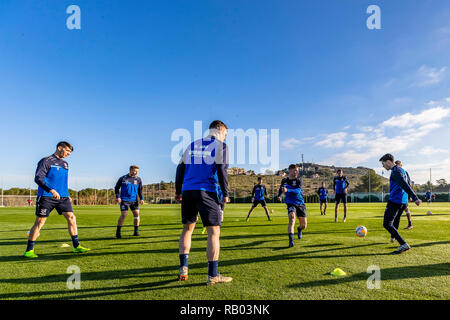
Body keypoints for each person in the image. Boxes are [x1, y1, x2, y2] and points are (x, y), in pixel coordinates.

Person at [175, 120, 232, 286]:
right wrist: (226, 193)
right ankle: (213, 275)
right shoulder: (221, 146)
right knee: (213, 233)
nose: (225, 137)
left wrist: (179, 191)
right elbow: (222, 170)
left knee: (187, 229)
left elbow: (180, 169)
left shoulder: (192, 145)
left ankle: (183, 268)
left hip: (187, 191)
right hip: (206, 191)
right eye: (225, 134)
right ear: (220, 130)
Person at [24, 141, 90, 258]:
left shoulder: (65, 164)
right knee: (40, 222)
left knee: (71, 218)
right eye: (67, 151)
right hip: (46, 196)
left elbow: (62, 181)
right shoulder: (46, 161)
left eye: (70, 152)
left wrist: (67, 194)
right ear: (60, 148)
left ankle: (76, 246)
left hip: (63, 197)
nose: (69, 154)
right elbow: (38, 178)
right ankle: (29, 250)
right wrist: (51, 190)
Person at [379, 154, 421, 254]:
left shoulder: (396, 171)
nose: (383, 166)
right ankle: (396, 238)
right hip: (403, 201)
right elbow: (408, 184)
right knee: (393, 221)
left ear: (388, 161)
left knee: (387, 224)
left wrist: (415, 197)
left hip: (395, 200)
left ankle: (403, 244)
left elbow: (404, 184)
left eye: (383, 163)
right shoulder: (402, 170)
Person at [278, 164, 307, 248]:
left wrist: (288, 190)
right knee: (292, 218)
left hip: (300, 203)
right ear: (289, 171)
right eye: (294, 170)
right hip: (290, 203)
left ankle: (299, 229)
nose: (296, 172)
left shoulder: (299, 180)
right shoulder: (284, 180)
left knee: (304, 225)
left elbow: (298, 191)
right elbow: (281, 188)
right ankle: (291, 241)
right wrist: (279, 195)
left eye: (297, 171)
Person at [114, 165, 144, 238]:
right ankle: (118, 232)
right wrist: (118, 197)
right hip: (124, 200)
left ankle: (136, 231)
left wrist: (141, 199)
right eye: (135, 171)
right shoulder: (123, 178)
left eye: (137, 171)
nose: (136, 173)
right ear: (130, 170)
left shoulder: (139, 179)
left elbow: (140, 190)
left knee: (136, 215)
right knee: (124, 215)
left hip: (134, 200)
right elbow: (116, 188)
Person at [395, 160, 413, 230]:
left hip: (404, 195)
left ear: (400, 165)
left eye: (397, 165)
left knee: (406, 209)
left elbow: (408, 184)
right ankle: (393, 225)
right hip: (398, 195)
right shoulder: (395, 172)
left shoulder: (404, 173)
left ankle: (410, 224)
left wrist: (409, 196)